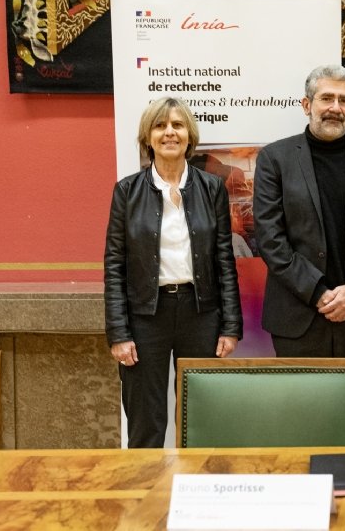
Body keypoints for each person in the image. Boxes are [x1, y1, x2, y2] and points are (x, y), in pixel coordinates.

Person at [104, 97, 242, 448]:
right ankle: (146, 497)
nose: (170, 133)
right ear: (147, 137)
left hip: (201, 314)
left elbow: (224, 259)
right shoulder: (127, 191)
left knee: (202, 420)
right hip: (145, 318)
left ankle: (198, 497)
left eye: (178, 125)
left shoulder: (211, 189)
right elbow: (115, 264)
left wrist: (230, 325)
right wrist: (119, 332)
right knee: (146, 423)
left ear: (189, 135)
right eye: (160, 126)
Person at [253, 65, 345, 366]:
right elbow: (270, 238)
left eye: (344, 100)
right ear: (307, 105)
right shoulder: (274, 159)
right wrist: (317, 291)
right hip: (298, 315)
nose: (335, 108)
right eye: (327, 98)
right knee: (302, 412)